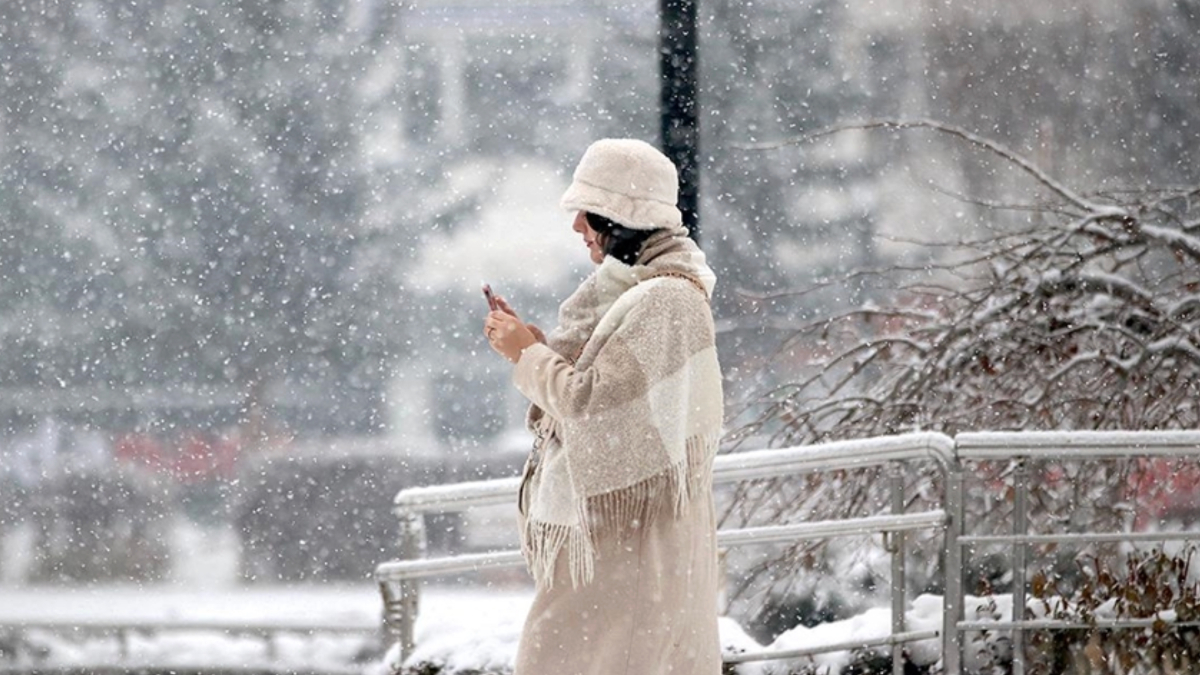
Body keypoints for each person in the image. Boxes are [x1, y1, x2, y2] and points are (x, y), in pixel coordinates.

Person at [483, 138, 724, 674]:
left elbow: (593, 407)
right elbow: (604, 393)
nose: (577, 228)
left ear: (621, 217)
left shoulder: (665, 300)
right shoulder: (639, 292)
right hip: (619, 549)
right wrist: (536, 349)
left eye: (586, 213)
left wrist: (528, 355)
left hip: (629, 554)